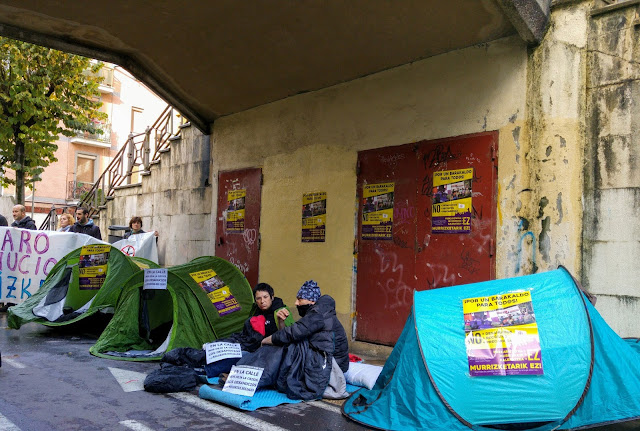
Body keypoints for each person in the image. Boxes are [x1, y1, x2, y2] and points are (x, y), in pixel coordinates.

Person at [234, 280, 349, 400]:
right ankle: (246, 373)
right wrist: (281, 324)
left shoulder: (318, 314)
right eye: (258, 298)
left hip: (331, 364)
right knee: (284, 350)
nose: (296, 303)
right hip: (325, 357)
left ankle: (250, 378)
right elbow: (292, 334)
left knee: (284, 351)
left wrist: (266, 340)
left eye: (299, 299)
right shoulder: (319, 311)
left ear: (311, 301)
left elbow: (294, 332)